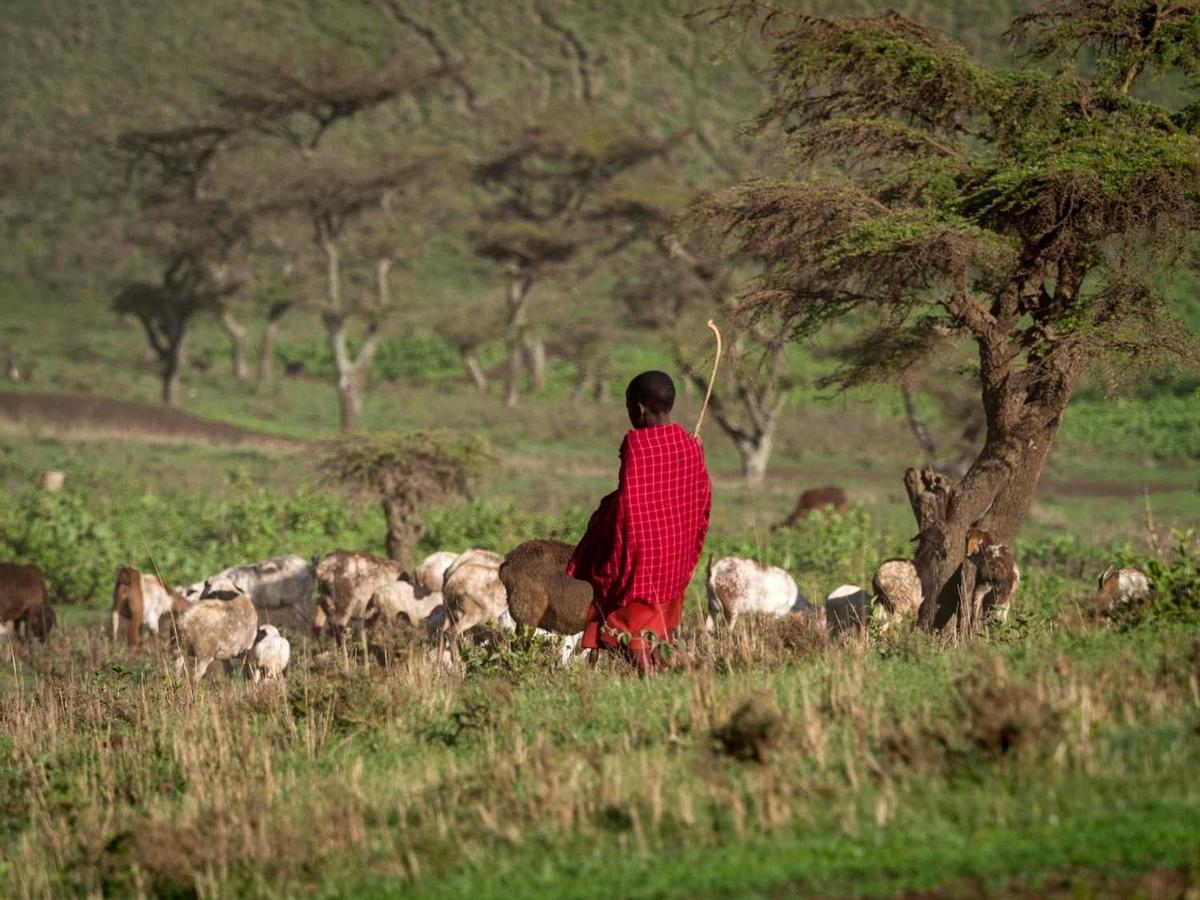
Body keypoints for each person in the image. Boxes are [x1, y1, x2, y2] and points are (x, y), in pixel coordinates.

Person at [567, 371, 712, 674]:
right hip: (676, 551)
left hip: (642, 550)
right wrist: (694, 450)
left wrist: (614, 542)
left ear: (640, 407)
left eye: (628, 407)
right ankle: (667, 675)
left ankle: (648, 680)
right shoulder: (688, 443)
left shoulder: (636, 444)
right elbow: (698, 497)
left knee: (633, 626)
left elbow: (631, 504)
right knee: (657, 625)